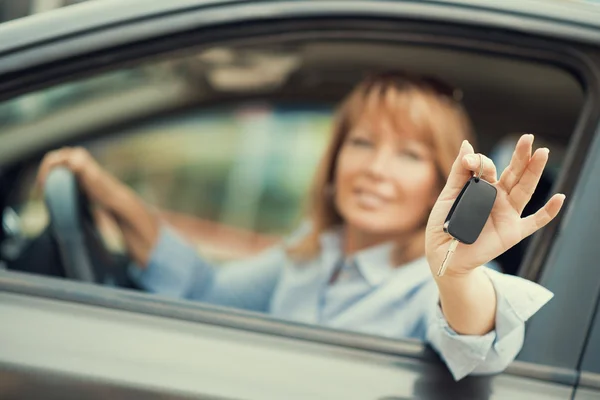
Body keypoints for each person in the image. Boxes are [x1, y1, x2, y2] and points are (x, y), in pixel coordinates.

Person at [36, 71, 565, 381]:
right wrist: (108, 194)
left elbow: (477, 346)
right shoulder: (314, 253)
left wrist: (456, 275)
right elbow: (204, 290)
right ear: (333, 165)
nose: (375, 169)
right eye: (361, 144)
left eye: (409, 155)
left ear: (439, 184)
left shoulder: (434, 284)